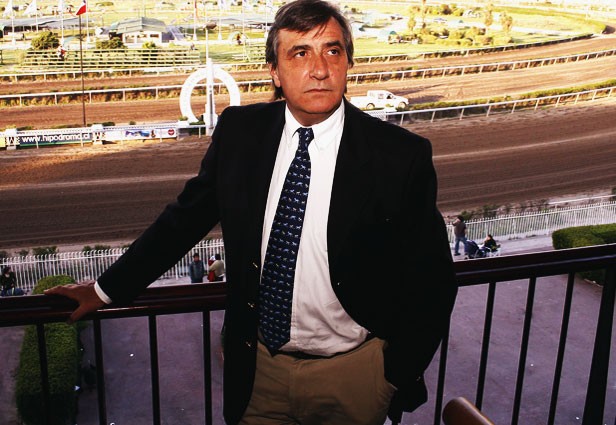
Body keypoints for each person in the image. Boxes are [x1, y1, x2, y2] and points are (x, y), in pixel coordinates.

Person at [45, 1, 457, 424]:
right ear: (274, 72)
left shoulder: (400, 156)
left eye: (332, 51)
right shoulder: (240, 132)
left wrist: (394, 373)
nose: (319, 69)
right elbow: (182, 222)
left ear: (348, 62)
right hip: (258, 376)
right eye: (300, 53)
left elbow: (434, 280)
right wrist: (104, 290)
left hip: (355, 376)